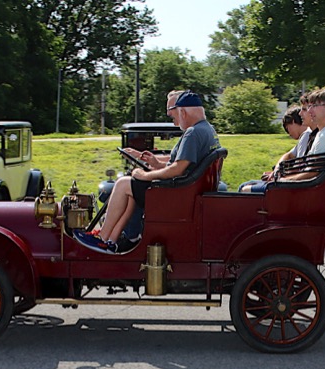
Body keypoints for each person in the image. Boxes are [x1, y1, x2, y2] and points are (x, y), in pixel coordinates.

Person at [75, 89, 220, 253]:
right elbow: (183, 162)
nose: (174, 121)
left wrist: (144, 175)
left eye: (174, 116)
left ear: (183, 112)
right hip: (186, 191)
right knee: (131, 192)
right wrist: (154, 163)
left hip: (177, 194)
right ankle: (110, 240)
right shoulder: (208, 129)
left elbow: (177, 169)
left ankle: (102, 238)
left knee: (123, 184)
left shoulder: (193, 133)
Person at [275, 88, 325, 183]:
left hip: (309, 192)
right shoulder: (322, 133)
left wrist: (281, 181)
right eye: (310, 106)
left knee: (248, 190)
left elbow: (312, 173)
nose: (310, 110)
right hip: (309, 190)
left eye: (314, 106)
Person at [238, 105, 312, 193]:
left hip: (291, 186)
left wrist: (278, 176)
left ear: (292, 121)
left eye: (287, 129)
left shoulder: (306, 135)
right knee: (245, 185)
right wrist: (277, 169)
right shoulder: (307, 135)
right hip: (291, 182)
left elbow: (299, 167)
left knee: (244, 189)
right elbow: (289, 154)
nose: (289, 134)